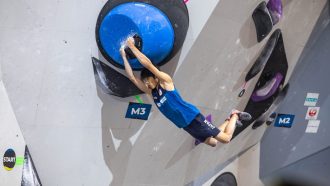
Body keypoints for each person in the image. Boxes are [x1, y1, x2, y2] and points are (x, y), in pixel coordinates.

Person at [120, 37, 251, 147]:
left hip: (193, 118)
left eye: (148, 80)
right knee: (213, 142)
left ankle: (235, 115)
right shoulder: (152, 93)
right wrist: (123, 56)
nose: (146, 83)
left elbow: (148, 65)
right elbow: (132, 78)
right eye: (145, 82)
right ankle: (229, 120)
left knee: (226, 139)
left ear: (155, 77)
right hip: (186, 125)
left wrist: (132, 47)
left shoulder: (165, 83)